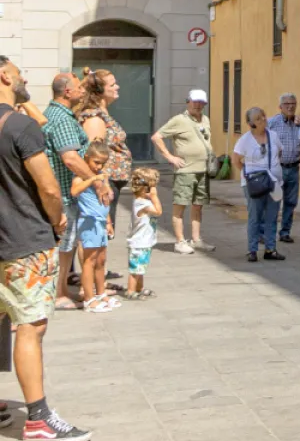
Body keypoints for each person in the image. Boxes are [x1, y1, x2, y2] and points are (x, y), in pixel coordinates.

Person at [0, 56, 90, 441]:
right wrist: (57, 221)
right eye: (19, 72)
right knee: (30, 326)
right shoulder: (21, 125)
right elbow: (50, 188)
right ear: (4, 75)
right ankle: (37, 418)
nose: (23, 78)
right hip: (23, 239)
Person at [41, 73, 94, 310]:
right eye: (79, 88)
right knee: (65, 246)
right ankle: (60, 292)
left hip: (65, 192)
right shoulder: (61, 119)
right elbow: (71, 157)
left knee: (67, 245)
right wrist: (96, 180)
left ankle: (61, 289)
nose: (82, 91)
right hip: (63, 193)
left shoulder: (58, 114)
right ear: (67, 92)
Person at [151, 89, 216, 256]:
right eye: (195, 102)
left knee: (198, 206)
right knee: (180, 206)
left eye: (202, 102)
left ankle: (196, 239)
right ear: (188, 101)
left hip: (202, 170)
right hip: (185, 171)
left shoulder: (205, 120)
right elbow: (157, 137)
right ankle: (180, 241)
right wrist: (170, 157)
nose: (198, 105)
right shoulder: (179, 120)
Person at [77, 69, 132, 244]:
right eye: (113, 84)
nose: (118, 87)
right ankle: (96, 270)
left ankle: (101, 269)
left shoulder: (103, 114)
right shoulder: (95, 118)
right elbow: (93, 155)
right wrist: (102, 184)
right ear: (100, 91)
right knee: (98, 231)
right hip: (104, 183)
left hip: (110, 182)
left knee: (103, 233)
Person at [233, 107, 285, 263]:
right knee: (255, 216)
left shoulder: (273, 136)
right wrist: (249, 174)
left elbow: (279, 152)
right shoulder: (245, 140)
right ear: (251, 123)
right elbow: (236, 160)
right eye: (258, 118)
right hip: (254, 184)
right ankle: (252, 250)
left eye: (263, 116)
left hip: (274, 182)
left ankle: (270, 249)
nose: (263, 119)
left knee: (272, 216)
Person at [76, 142, 116, 314]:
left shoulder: (102, 176)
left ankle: (100, 294)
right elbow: (74, 190)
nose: (99, 166)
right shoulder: (81, 176)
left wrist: (108, 222)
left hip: (100, 222)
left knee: (101, 261)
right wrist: (92, 179)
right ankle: (88, 298)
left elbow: (104, 200)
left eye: (102, 163)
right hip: (89, 222)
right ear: (87, 158)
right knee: (89, 261)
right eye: (96, 162)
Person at [267, 93, 300, 244]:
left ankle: (285, 232)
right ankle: (268, 233)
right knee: (274, 201)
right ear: (280, 107)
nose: (290, 106)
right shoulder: (272, 122)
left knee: (291, 202)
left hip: (294, 168)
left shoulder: (299, 122)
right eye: (287, 104)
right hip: (277, 168)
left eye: (293, 104)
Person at [125, 168, 162, 299]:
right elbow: (158, 211)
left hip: (144, 241)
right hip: (139, 242)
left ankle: (139, 288)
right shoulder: (142, 204)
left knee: (141, 268)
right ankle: (130, 290)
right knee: (135, 269)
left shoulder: (142, 201)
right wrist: (154, 197)